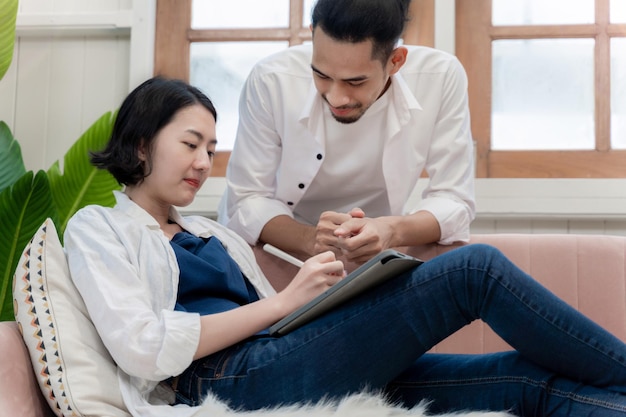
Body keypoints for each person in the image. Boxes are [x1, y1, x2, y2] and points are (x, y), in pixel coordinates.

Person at [64, 76, 626, 417]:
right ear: (140, 146)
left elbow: (281, 324)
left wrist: (336, 298)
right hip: (226, 382)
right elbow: (141, 345)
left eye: (210, 148)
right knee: (472, 269)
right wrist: (285, 304)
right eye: (190, 144)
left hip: (284, 357)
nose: (202, 162)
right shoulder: (98, 227)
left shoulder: (212, 233)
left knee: (520, 381)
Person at [218, 0, 475, 264]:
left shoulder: (440, 76)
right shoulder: (271, 79)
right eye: (322, 75)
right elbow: (247, 200)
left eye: (356, 81)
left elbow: (453, 199)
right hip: (278, 247)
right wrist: (308, 239)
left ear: (395, 62)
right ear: (313, 36)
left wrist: (391, 230)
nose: (337, 98)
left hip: (377, 252)